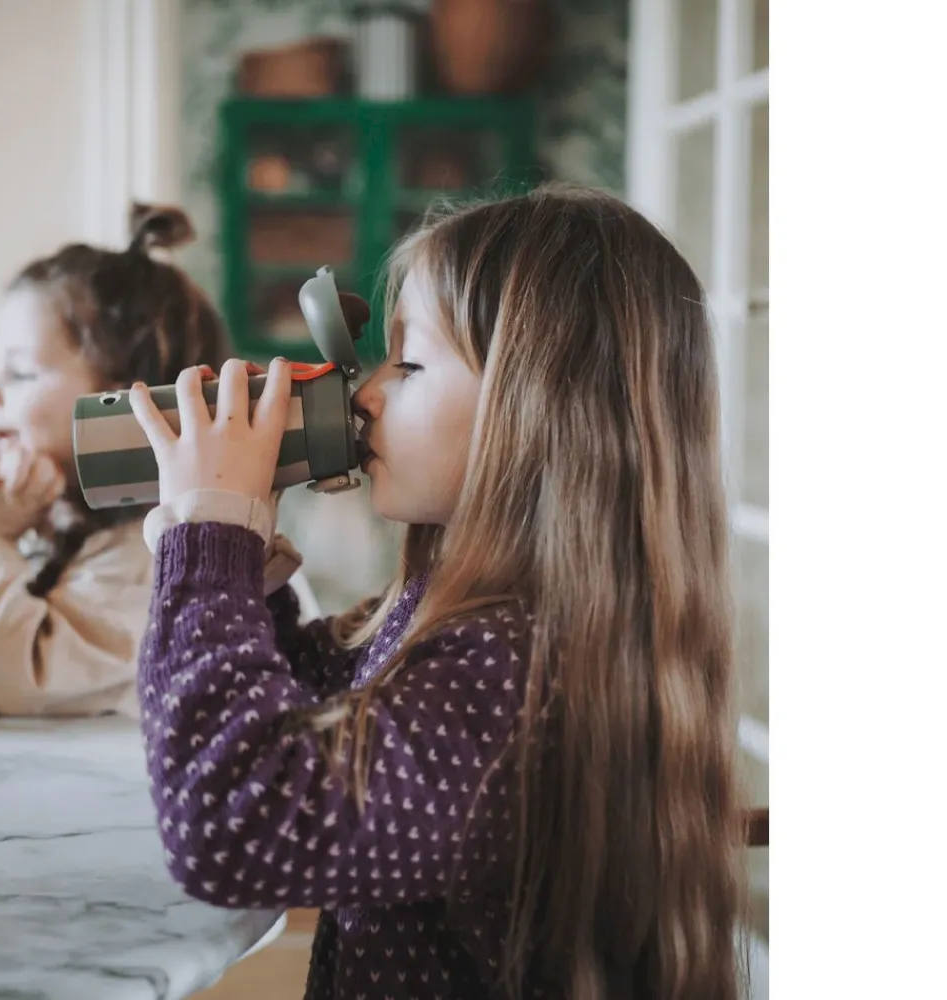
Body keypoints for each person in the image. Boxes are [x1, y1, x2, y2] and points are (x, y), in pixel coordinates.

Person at [129, 184, 749, 1000]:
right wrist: (243, 566)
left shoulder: (514, 667)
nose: (366, 393)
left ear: (539, 410)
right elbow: (301, 710)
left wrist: (211, 551)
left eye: (409, 362)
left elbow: (233, 827)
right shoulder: (476, 618)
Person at [0, 203, 301, 717]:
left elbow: (20, 676)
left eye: (18, 373)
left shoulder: (159, 562)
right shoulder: (53, 518)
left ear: (126, 405)